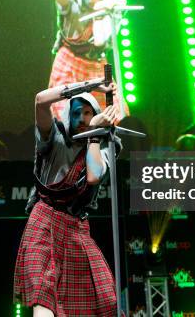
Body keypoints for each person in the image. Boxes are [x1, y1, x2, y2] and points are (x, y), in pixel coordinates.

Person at [14, 77, 121, 317]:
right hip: (43, 221)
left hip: (76, 229)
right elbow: (40, 100)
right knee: (43, 294)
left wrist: (94, 133)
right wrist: (92, 85)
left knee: (104, 300)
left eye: (87, 113)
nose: (82, 119)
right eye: (76, 113)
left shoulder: (105, 147)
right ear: (68, 117)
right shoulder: (54, 139)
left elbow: (93, 176)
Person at [49, 0, 129, 122]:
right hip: (69, 60)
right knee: (64, 110)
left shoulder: (108, 10)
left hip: (96, 62)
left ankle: (109, 142)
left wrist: (102, 12)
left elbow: (99, 41)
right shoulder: (72, 4)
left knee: (114, 109)